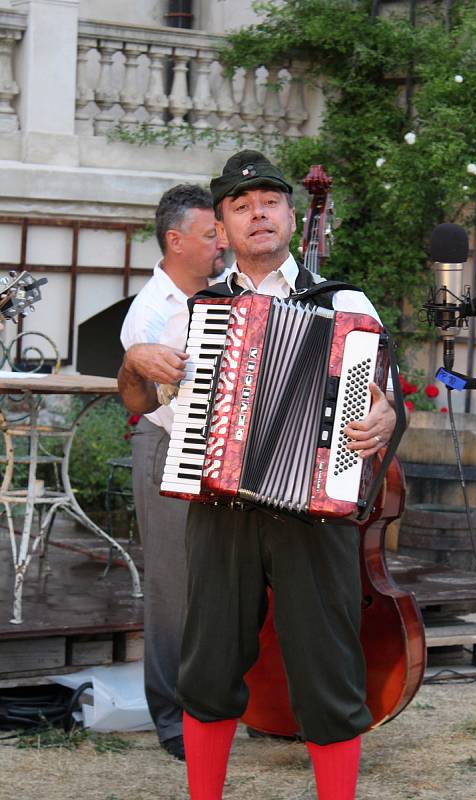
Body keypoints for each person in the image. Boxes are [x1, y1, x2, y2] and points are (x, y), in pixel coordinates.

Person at [118, 151, 397, 799]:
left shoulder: (343, 301)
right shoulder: (198, 311)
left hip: (314, 512)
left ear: (290, 217)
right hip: (221, 509)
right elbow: (139, 402)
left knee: (327, 672)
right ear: (223, 227)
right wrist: (134, 360)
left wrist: (383, 416)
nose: (257, 214)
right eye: (240, 207)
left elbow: (381, 395)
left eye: (268, 201)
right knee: (209, 667)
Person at [119, 184, 225, 761]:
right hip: (168, 448)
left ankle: (218, 703)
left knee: (215, 583)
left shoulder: (221, 294)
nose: (222, 243)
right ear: (176, 241)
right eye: (212, 235)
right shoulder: (151, 315)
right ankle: (171, 719)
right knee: (172, 586)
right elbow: (169, 404)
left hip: (216, 454)